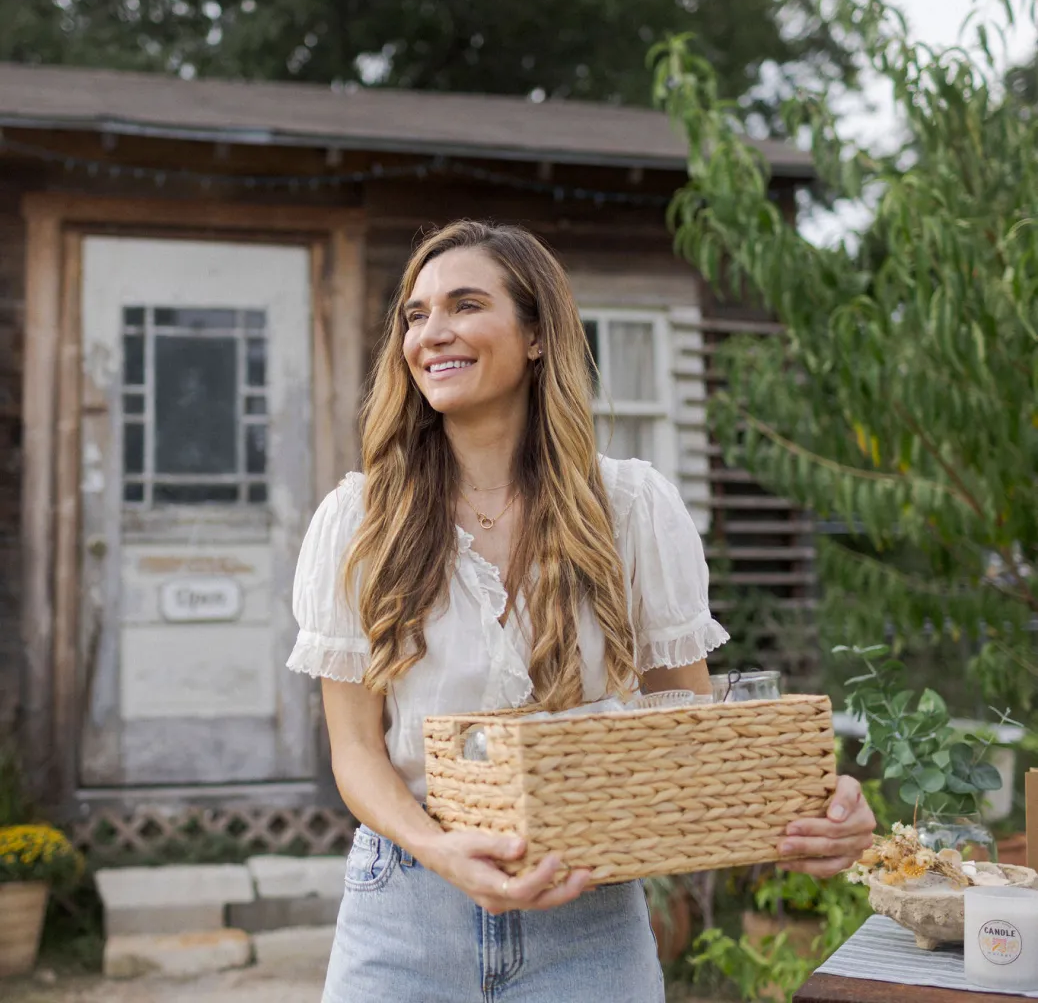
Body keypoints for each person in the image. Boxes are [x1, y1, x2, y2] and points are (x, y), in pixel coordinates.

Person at [287, 220, 876, 1003]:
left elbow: (685, 727)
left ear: (536, 335)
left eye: (464, 305)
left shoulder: (630, 508)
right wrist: (442, 849)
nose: (432, 334)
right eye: (415, 314)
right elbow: (356, 753)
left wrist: (812, 811)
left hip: (589, 913)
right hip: (406, 909)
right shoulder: (361, 520)